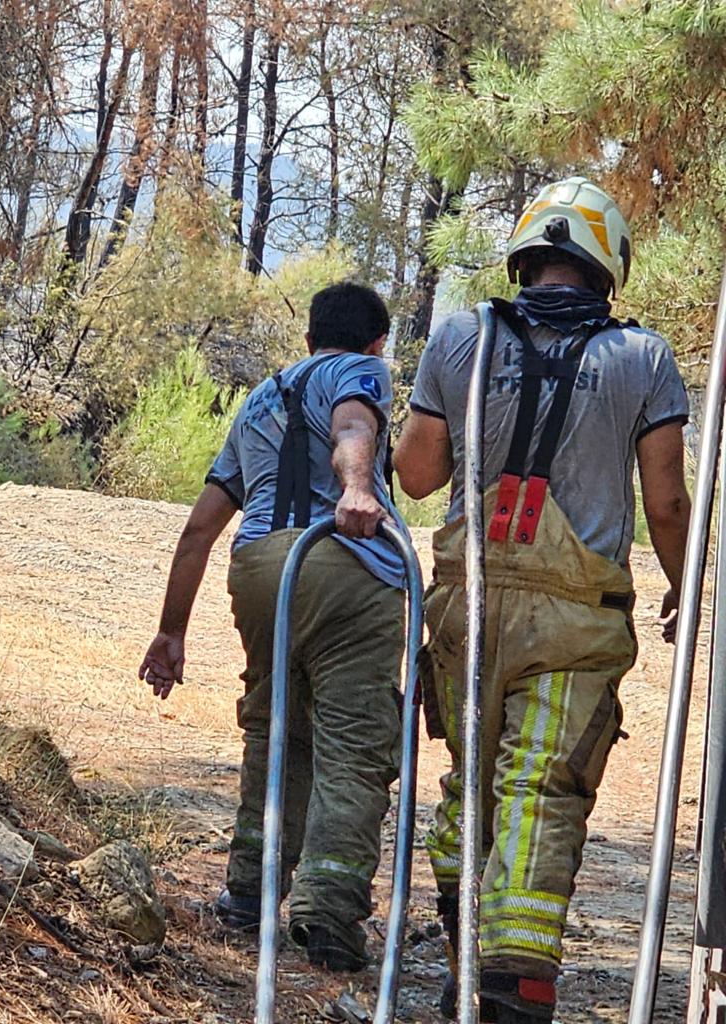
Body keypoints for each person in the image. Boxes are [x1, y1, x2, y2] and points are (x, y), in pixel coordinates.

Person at [395, 177, 691, 1023]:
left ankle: (462, 956)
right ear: (607, 268)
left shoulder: (460, 336)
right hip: (573, 623)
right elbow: (668, 503)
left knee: (474, 782)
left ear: (525, 257)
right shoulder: (644, 358)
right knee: (538, 792)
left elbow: (417, 475)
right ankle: (513, 990)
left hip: (467, 606)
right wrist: (687, 586)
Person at [140, 281, 407, 973]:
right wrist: (357, 485)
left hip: (258, 569)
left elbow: (200, 528)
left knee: (276, 731)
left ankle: (247, 895)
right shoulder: (362, 371)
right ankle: (328, 909)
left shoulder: (259, 401)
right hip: (341, 561)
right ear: (377, 343)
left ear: (308, 336)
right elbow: (354, 425)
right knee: (353, 741)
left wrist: (171, 632)